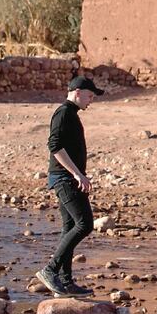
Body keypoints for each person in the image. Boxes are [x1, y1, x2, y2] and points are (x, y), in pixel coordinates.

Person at [36, 76, 105, 296]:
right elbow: (54, 146)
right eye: (89, 95)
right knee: (84, 224)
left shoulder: (70, 114)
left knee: (70, 228)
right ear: (77, 92)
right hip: (64, 179)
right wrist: (77, 174)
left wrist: (78, 174)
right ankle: (50, 270)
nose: (91, 100)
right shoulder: (64, 113)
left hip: (67, 178)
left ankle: (65, 282)